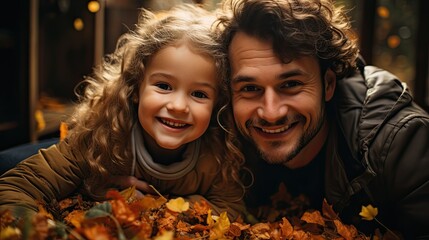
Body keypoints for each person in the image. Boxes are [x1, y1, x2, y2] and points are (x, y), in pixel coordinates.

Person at [0, 4, 245, 222]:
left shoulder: (216, 156)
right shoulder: (103, 138)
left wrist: (166, 206)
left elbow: (231, 208)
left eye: (199, 94)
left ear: (217, 105)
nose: (179, 106)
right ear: (136, 87)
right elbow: (16, 187)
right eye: (163, 86)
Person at [215, 0, 429, 238]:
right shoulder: (217, 137)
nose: (271, 112)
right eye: (250, 88)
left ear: (328, 84)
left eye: (291, 84)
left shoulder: (398, 143)